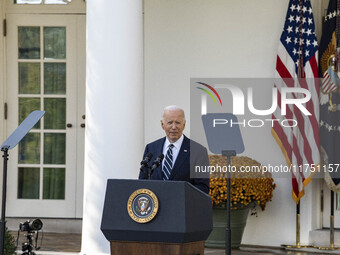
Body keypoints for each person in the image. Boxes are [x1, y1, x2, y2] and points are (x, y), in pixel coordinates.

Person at [139, 105, 210, 194]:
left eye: (178, 123)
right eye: (170, 122)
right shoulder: (151, 148)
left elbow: (202, 188)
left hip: (182, 205)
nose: (174, 127)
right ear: (162, 124)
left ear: (184, 125)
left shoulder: (198, 151)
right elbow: (142, 182)